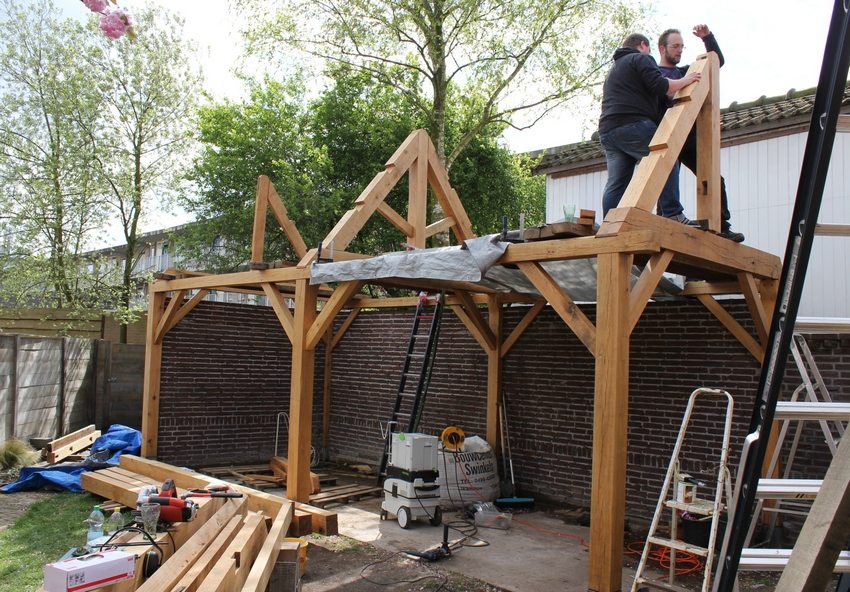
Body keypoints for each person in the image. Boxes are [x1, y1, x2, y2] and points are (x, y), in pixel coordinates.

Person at [599, 33, 701, 224]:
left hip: (608, 131)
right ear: (643, 45)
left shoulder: (614, 70)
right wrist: (685, 81)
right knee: (667, 157)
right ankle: (672, 213)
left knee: (617, 182)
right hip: (633, 124)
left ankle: (609, 225)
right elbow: (661, 85)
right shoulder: (641, 58)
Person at [658, 26, 745, 242]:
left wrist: (708, 38)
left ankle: (722, 225)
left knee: (713, 178)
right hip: (664, 134)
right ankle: (664, 221)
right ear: (662, 48)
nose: (679, 50)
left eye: (682, 46)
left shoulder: (685, 72)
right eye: (675, 46)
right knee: (664, 179)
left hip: (687, 134)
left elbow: (716, 63)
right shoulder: (653, 74)